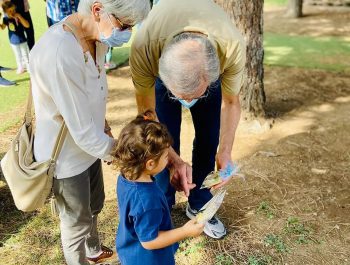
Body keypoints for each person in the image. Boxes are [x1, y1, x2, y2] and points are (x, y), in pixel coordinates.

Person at [28, 0, 150, 264]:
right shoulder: (61, 53)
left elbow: (92, 92)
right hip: (66, 156)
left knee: (95, 203)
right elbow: (81, 132)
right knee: (76, 221)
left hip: (94, 144)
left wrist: (104, 125)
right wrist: (126, 157)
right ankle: (79, 259)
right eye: (124, 24)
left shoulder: (97, 37)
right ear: (98, 11)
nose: (127, 32)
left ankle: (93, 250)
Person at [130, 0, 246, 239]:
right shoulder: (145, 47)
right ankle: (163, 203)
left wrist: (225, 152)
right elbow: (147, 114)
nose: (188, 102)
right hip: (164, 60)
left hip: (205, 66)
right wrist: (173, 161)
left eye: (197, 95)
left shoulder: (231, 47)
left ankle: (200, 203)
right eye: (182, 97)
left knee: (208, 136)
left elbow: (232, 103)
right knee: (161, 139)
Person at [113, 110, 204, 265]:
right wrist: (185, 231)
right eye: (166, 156)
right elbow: (149, 241)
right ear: (150, 164)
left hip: (130, 251)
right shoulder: (147, 199)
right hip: (149, 260)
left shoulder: (125, 176)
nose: (169, 159)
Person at [0, 1, 30, 74]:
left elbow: (27, 25)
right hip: (13, 40)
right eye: (10, 11)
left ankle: (29, 67)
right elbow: (2, 28)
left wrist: (19, 17)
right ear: (5, 11)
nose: (12, 12)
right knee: (17, 55)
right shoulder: (6, 19)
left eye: (13, 10)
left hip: (22, 39)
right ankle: (20, 67)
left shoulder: (18, 16)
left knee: (25, 54)